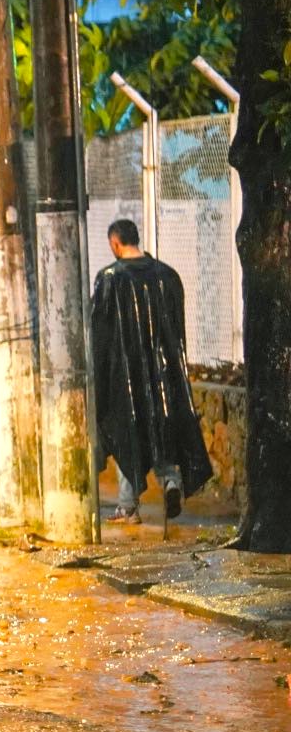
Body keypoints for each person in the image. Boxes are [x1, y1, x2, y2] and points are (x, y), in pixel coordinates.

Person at [90, 219, 212, 524]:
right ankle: (171, 481)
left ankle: (128, 506)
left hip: (124, 375)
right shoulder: (167, 276)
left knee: (126, 434)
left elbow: (100, 336)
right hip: (162, 375)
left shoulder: (109, 279)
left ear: (114, 244)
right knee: (160, 431)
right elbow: (177, 332)